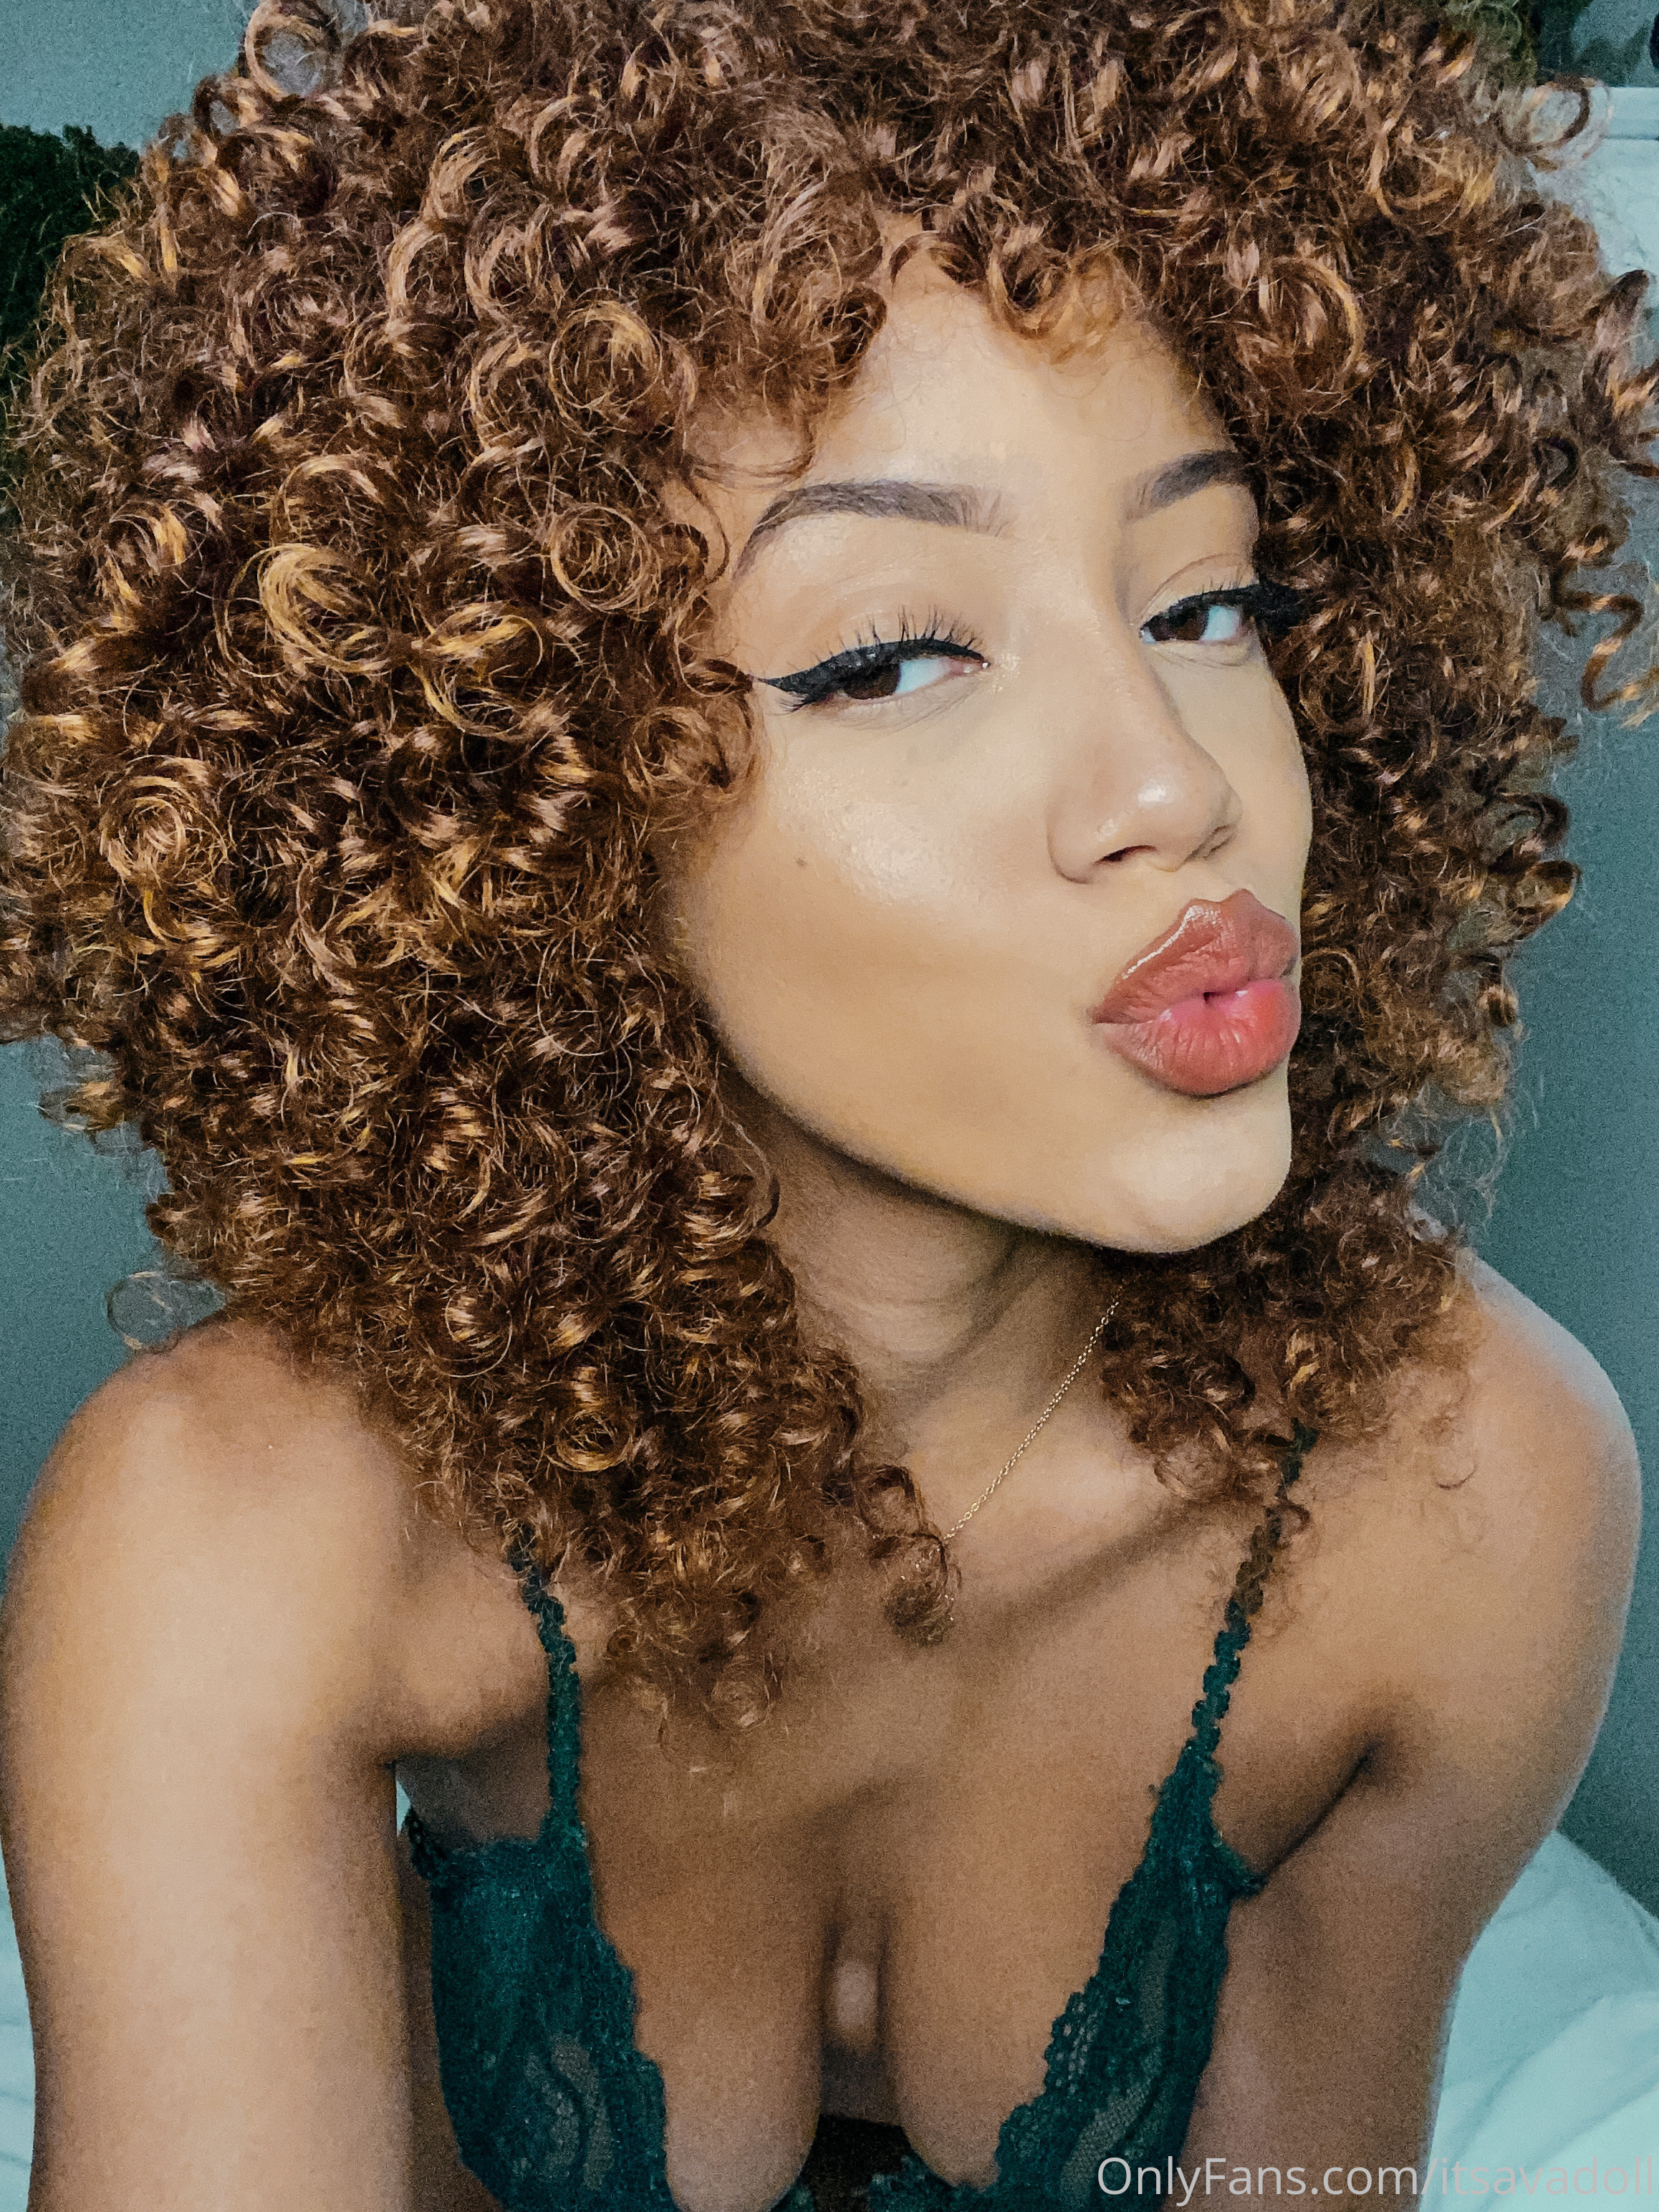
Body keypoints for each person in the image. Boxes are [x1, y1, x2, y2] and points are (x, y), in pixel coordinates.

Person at [0, 1, 1650, 2207]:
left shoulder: (1461, 1497)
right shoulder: (245, 1534)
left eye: (1205, 601)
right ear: (530, 804)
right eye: (889, 656)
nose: (1173, 785)